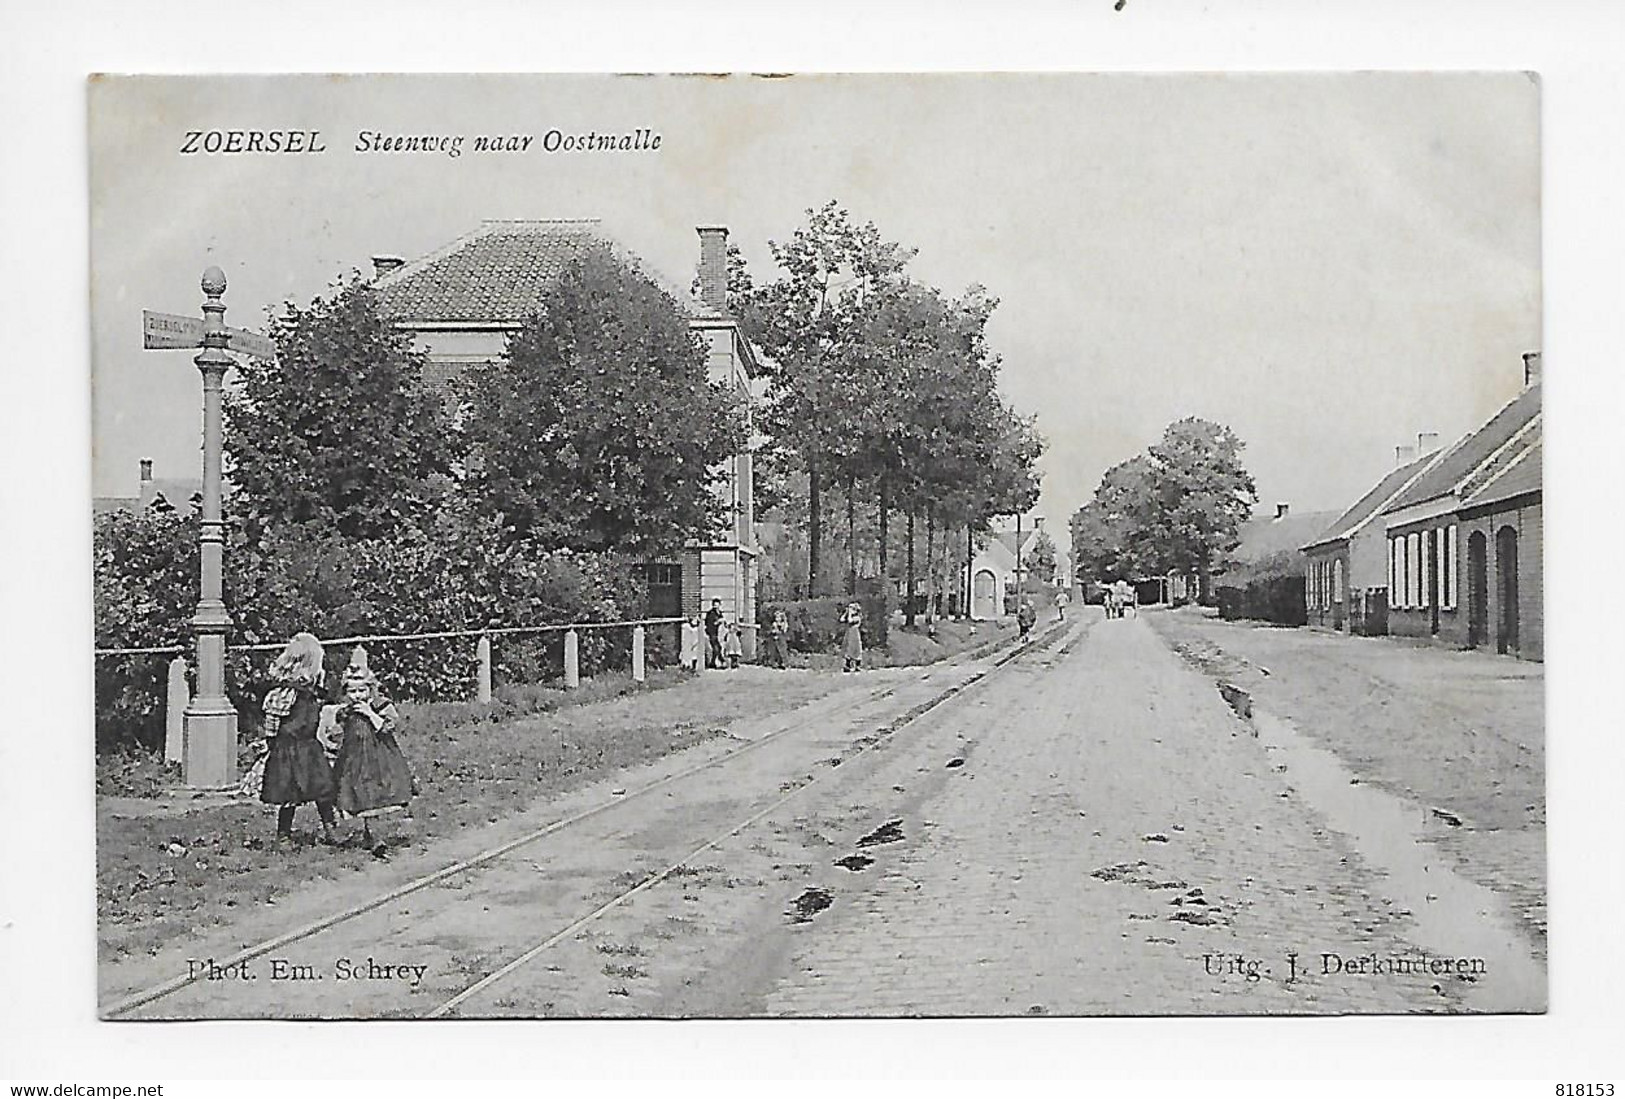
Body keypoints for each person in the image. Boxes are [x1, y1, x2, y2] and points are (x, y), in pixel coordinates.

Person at [259, 632, 339, 846]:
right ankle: (283, 835)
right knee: (289, 792)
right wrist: (271, 742)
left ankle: (331, 829)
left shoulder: (311, 693)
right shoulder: (286, 693)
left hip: (310, 747)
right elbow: (273, 719)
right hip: (289, 749)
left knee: (323, 788)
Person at [331, 649, 414, 857]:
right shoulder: (347, 710)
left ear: (371, 689)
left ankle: (377, 836)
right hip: (354, 758)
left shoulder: (380, 706)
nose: (357, 696)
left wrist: (369, 713)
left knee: (378, 792)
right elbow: (338, 730)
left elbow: (387, 728)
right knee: (359, 793)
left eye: (362, 691)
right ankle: (370, 833)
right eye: (353, 692)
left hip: (379, 756)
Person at [841, 602, 864, 673]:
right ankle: (847, 665)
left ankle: (857, 666)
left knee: (856, 649)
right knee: (848, 649)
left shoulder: (857, 617)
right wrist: (846, 613)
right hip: (850, 634)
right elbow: (841, 619)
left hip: (855, 634)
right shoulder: (850, 616)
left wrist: (850, 613)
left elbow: (850, 620)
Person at [704, 599, 724, 670]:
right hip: (712, 633)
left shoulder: (719, 613)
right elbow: (709, 624)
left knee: (718, 647)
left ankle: (713, 663)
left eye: (717, 605)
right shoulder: (711, 613)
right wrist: (717, 622)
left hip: (717, 632)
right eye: (715, 605)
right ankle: (721, 661)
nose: (716, 606)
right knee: (716, 648)